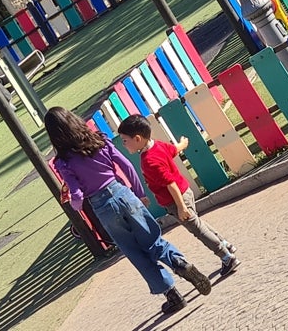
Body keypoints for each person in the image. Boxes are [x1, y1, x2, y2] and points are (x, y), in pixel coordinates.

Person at [45, 106, 211, 316]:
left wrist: (76, 208)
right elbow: (127, 166)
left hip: (102, 207)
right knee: (152, 239)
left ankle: (172, 295)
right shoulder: (99, 141)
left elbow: (77, 195)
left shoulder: (63, 162)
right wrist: (139, 192)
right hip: (123, 194)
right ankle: (179, 262)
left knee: (135, 252)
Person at [117, 115, 239, 278]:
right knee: (198, 223)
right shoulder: (157, 146)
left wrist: (181, 207)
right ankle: (225, 245)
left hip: (176, 200)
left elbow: (170, 184)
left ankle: (226, 256)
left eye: (125, 140)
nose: (124, 145)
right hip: (184, 192)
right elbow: (173, 150)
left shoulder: (149, 161)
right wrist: (182, 144)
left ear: (137, 139)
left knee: (197, 229)